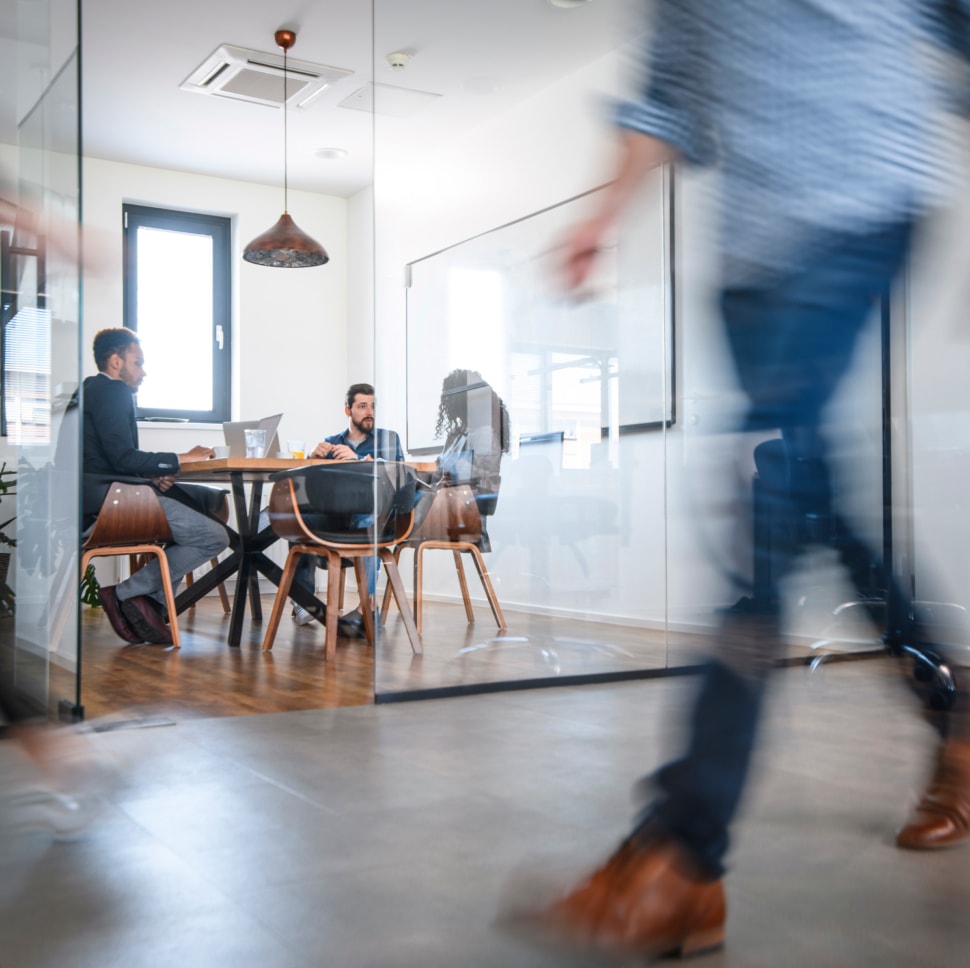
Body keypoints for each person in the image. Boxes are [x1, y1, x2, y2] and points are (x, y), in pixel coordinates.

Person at [517, 1, 970, 960]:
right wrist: (603, 213)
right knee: (816, 496)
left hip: (863, 207)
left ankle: (685, 853)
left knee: (757, 502)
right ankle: (957, 711)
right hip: (750, 257)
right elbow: (669, 96)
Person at [83, 327, 228, 645]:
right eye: (138, 362)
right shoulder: (112, 391)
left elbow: (102, 458)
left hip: (93, 500)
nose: (144, 371)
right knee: (214, 535)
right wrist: (182, 457)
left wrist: (149, 476)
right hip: (114, 503)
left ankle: (151, 607)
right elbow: (122, 457)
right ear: (116, 362)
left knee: (193, 510)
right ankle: (125, 594)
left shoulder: (87, 391)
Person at [291, 383, 404, 630]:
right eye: (362, 406)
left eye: (372, 406)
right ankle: (303, 602)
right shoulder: (331, 443)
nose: (369, 412)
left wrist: (360, 462)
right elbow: (308, 484)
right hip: (336, 517)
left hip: (369, 516)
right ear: (348, 411)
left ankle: (368, 606)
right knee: (298, 520)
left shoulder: (388, 439)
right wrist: (313, 455)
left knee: (368, 520)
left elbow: (400, 477)